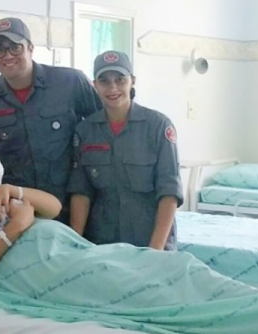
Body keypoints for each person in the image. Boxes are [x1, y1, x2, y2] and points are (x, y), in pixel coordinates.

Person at [0, 158, 258, 334]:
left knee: (177, 267)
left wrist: (14, 191)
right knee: (161, 284)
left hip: (81, 253)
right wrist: (16, 229)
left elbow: (54, 208)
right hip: (56, 273)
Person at [0, 17, 102, 225]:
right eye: (0, 49)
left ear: (30, 47)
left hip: (76, 206)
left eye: (15, 47)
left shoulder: (70, 82)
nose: (8, 55)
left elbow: (104, 129)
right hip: (22, 213)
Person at [68, 50, 183, 251]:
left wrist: (155, 250)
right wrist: (75, 245)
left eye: (120, 79)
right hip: (102, 242)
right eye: (104, 81)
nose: (113, 87)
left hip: (149, 241)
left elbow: (169, 193)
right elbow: (81, 192)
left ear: (132, 81)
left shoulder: (158, 126)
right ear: (95, 85)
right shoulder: (85, 131)